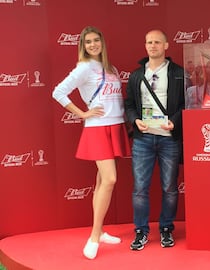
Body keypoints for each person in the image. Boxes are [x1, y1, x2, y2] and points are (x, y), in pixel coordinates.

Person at [52, 26, 131, 259]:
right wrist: (82, 113)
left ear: (102, 43)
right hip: (97, 129)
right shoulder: (84, 67)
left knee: (99, 183)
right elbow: (59, 92)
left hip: (115, 126)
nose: (93, 45)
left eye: (96, 40)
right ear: (83, 46)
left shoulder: (111, 68)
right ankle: (95, 236)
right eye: (88, 42)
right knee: (110, 179)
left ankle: (101, 231)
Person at [124, 29, 185, 251]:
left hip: (170, 138)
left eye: (157, 42)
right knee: (140, 188)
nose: (153, 46)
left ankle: (166, 228)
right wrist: (135, 120)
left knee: (169, 187)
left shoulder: (179, 73)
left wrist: (175, 122)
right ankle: (141, 231)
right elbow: (129, 103)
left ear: (166, 45)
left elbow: (188, 103)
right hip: (143, 138)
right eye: (149, 42)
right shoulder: (136, 75)